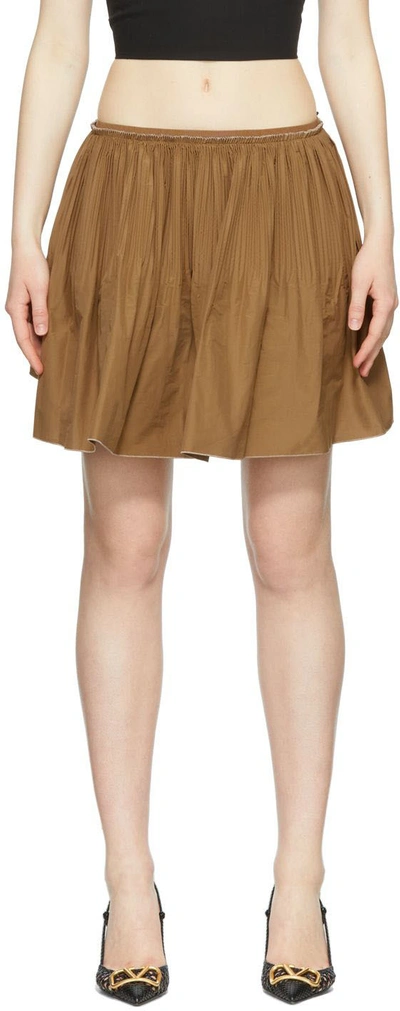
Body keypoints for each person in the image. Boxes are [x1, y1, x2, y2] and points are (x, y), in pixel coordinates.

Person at [4, 0, 397, 1005]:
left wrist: (381, 227)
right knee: (125, 544)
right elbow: (59, 41)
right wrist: (24, 233)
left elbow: (347, 38)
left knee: (290, 543)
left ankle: (299, 884)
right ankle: (127, 886)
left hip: (285, 185)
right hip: (130, 189)